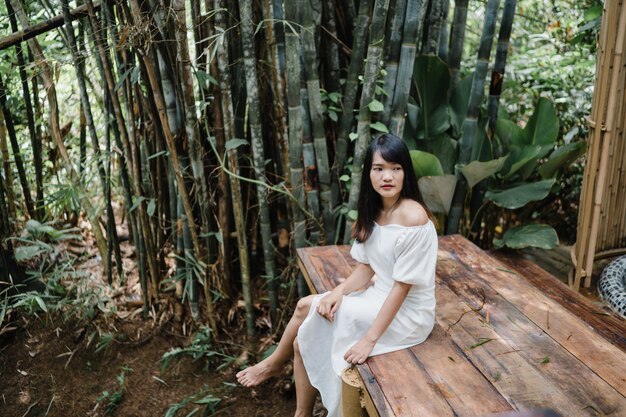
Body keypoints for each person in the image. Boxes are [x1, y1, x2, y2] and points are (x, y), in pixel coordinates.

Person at [237, 133, 438, 417]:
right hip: (378, 297)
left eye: (396, 168)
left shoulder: (413, 217)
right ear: (369, 173)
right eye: (379, 169)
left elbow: (401, 289)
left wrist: (369, 340)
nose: (387, 176)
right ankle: (299, 408)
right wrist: (338, 292)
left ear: (407, 172)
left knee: (306, 310)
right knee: (303, 331)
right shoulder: (375, 212)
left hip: (408, 314)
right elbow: (366, 268)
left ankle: (275, 366)